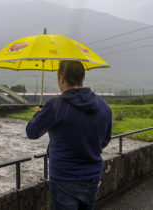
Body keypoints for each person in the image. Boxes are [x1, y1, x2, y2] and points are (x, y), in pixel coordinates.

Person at [26, 60, 112, 210]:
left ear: (61, 78)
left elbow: (32, 132)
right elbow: (105, 140)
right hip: (93, 176)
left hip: (64, 178)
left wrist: (37, 115)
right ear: (82, 78)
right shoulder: (103, 105)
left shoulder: (55, 105)